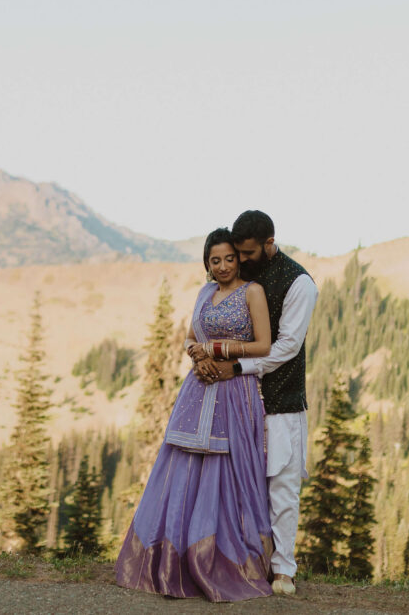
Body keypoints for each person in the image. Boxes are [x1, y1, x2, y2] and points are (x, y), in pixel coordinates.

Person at [115, 228, 276, 602]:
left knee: (230, 468)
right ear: (207, 264)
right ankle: (175, 558)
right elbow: (189, 336)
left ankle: (229, 561)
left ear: (239, 259)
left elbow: (264, 344)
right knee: (183, 467)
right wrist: (198, 355)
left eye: (229, 259)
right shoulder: (204, 293)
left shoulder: (252, 292)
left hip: (235, 390)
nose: (222, 266)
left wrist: (216, 350)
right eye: (215, 260)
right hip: (199, 387)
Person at [200, 210, 318, 596]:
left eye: (247, 253)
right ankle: (244, 563)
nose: (240, 260)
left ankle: (283, 570)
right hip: (237, 402)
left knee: (281, 486)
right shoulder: (241, 277)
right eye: (237, 253)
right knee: (240, 484)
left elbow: (287, 346)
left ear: (269, 243)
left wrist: (237, 366)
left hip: (281, 400)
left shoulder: (299, 283)